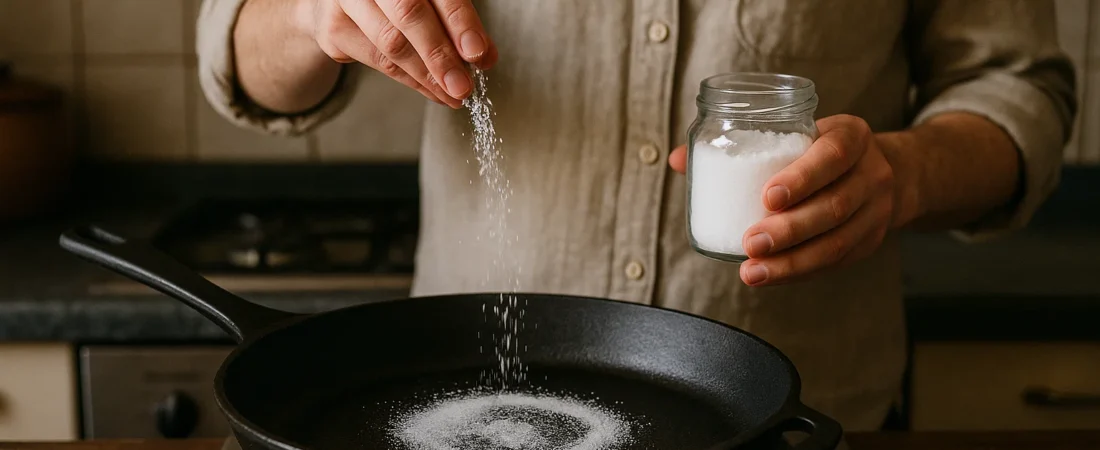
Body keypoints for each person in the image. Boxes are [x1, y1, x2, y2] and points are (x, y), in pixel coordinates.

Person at [197, 0, 1076, 436]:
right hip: (470, 403)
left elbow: (1020, 87)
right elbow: (241, 50)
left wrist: (908, 174)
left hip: (799, 413)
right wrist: (310, 13)